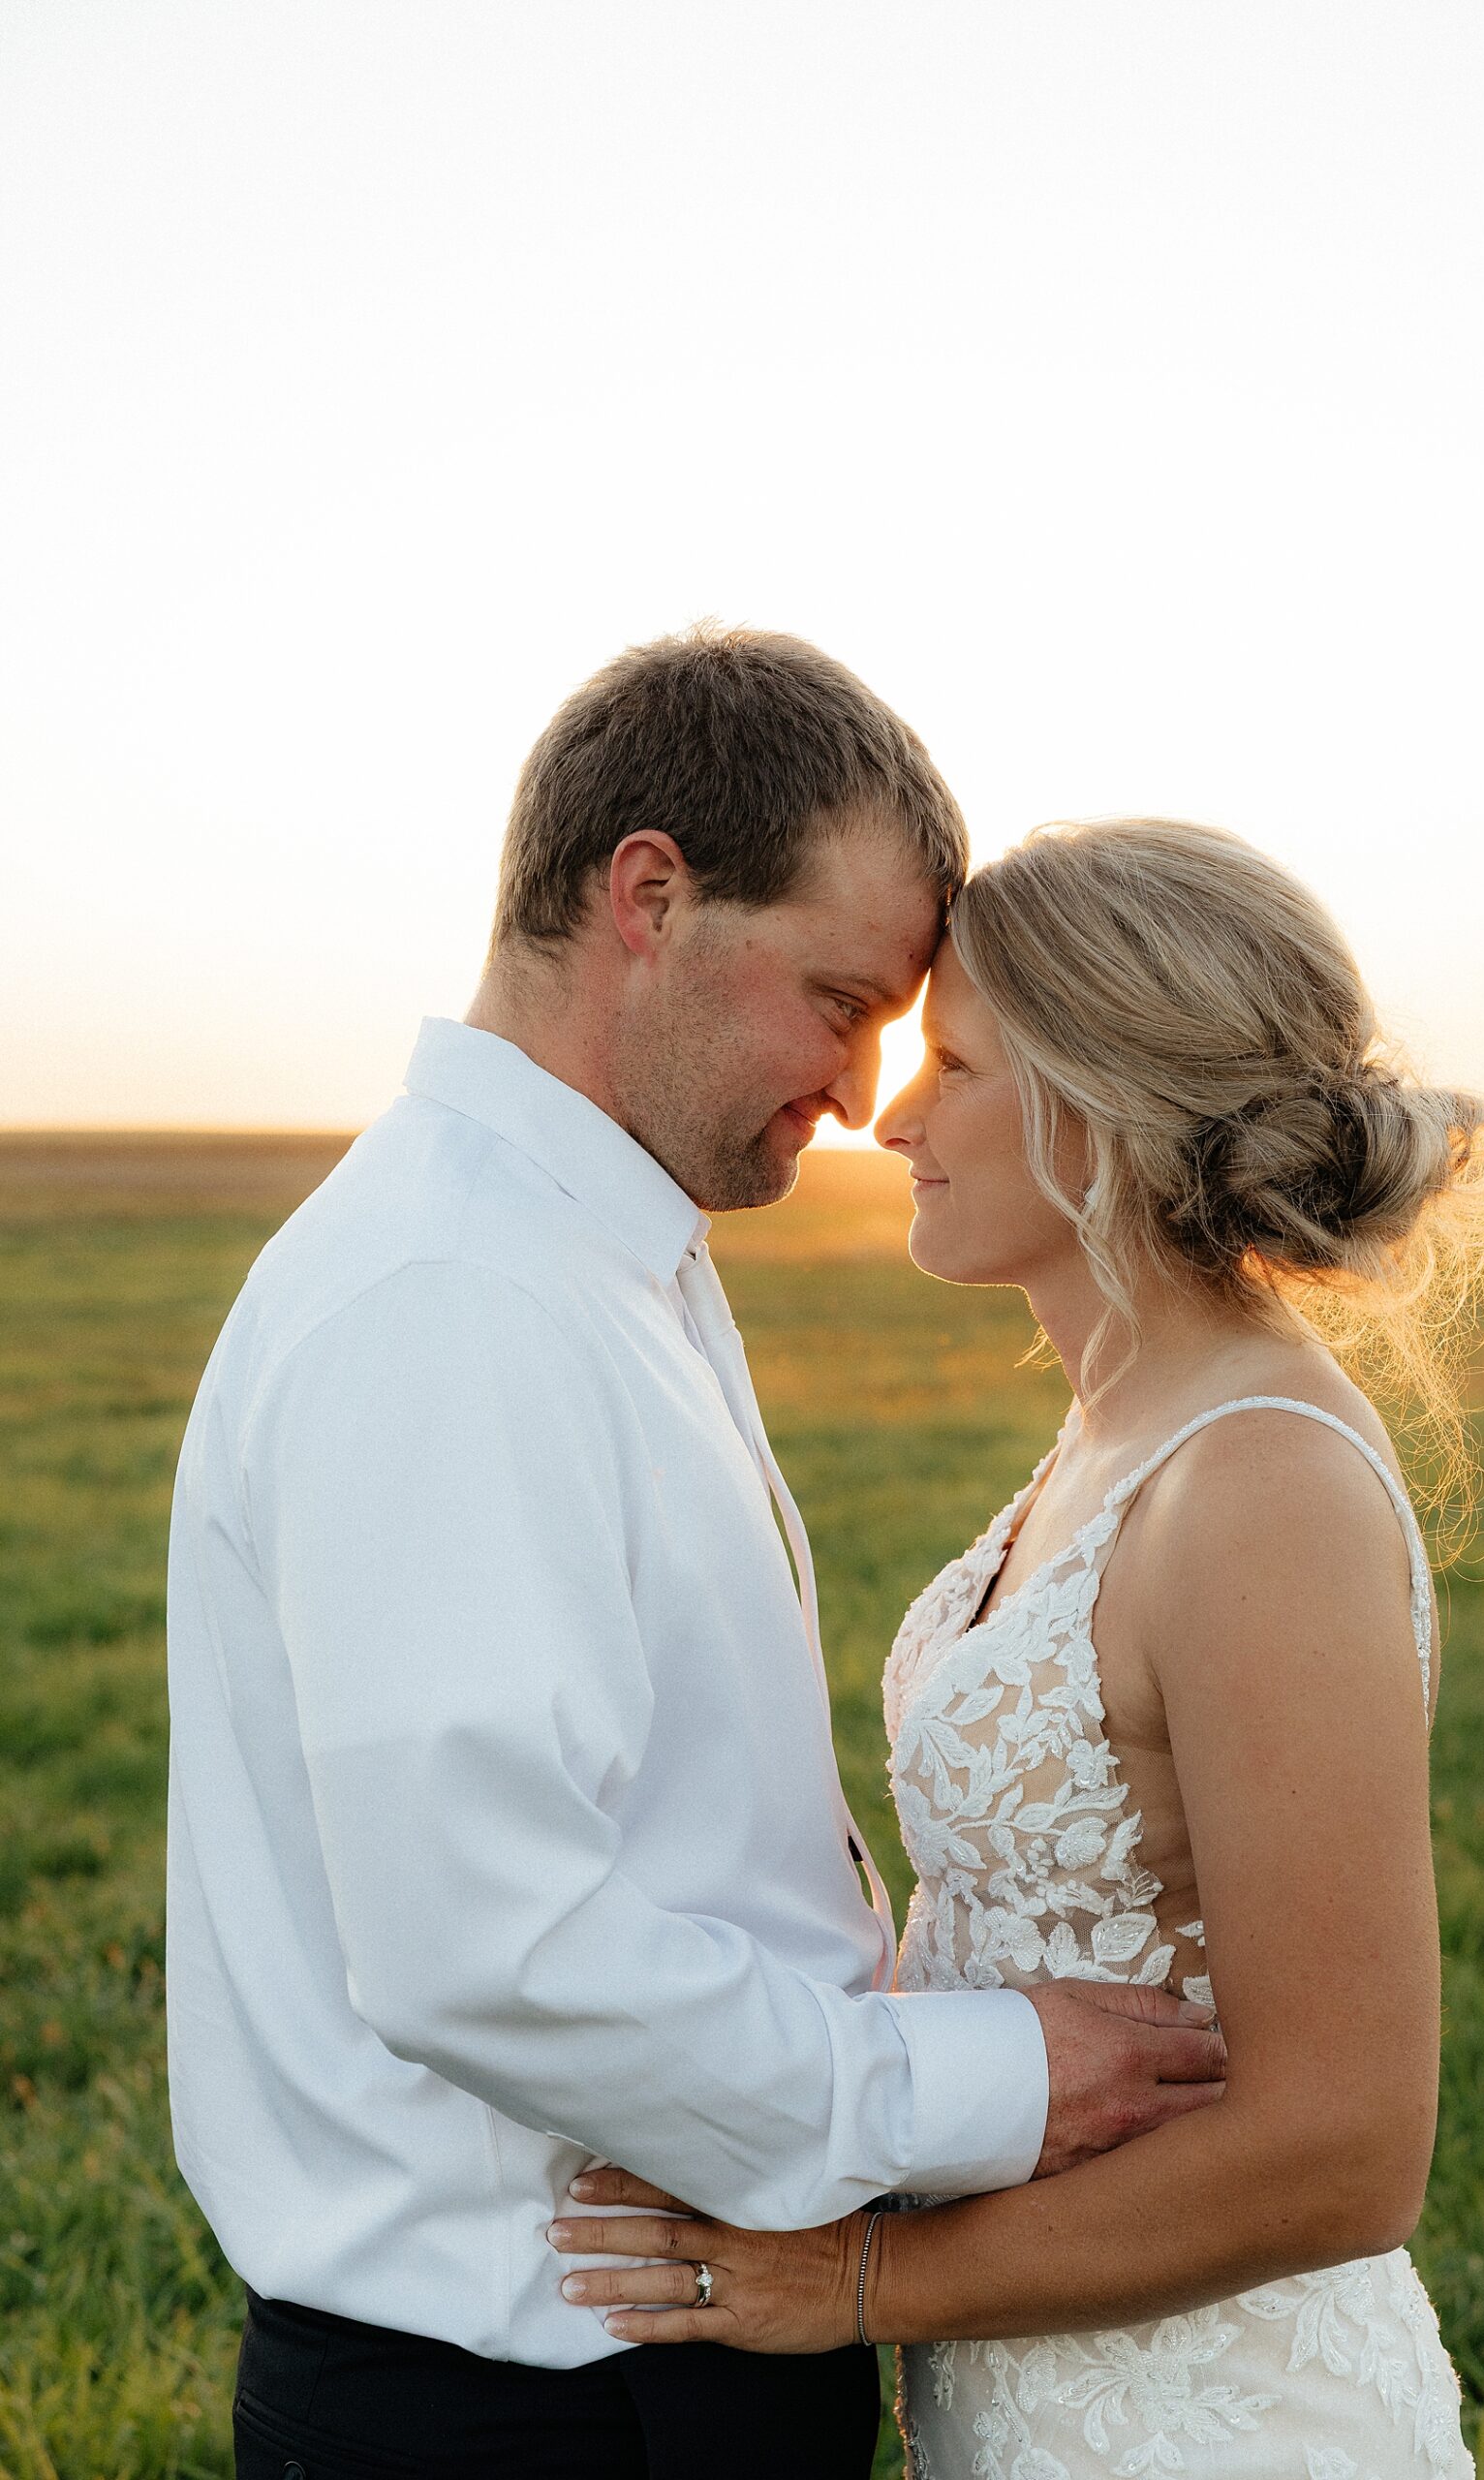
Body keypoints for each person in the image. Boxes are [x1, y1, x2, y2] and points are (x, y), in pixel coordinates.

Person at [165, 636, 1227, 2480]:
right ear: (646, 895)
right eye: (837, 996)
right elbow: (487, 1946)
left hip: (659, 2349)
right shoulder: (456, 1298)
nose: (860, 1088)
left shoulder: (593, 1253)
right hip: (541, 2397)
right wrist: (990, 2078)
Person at [548, 818, 1484, 2477]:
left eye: (951, 1062)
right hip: (1030, 2394)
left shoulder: (1262, 1484)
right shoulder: (1121, 1423)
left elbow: (1348, 2147)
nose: (889, 1116)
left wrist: (862, 2280)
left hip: (1219, 2426)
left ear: (1100, 1105)